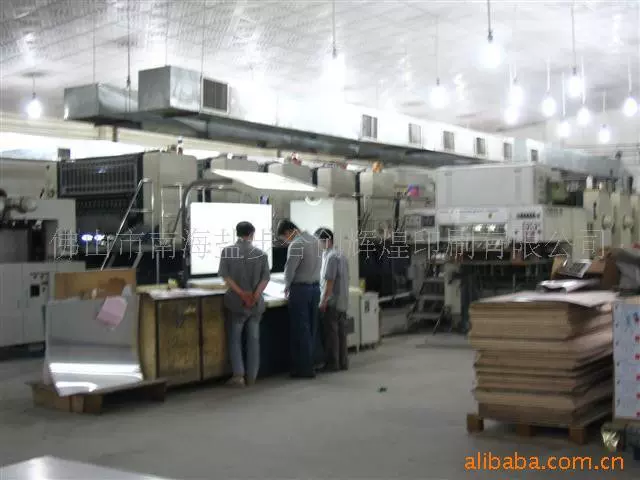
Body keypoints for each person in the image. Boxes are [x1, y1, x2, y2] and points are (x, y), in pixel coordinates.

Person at [219, 221, 270, 387]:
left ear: (237, 233)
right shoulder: (261, 254)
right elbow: (265, 279)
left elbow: (226, 277)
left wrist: (242, 294)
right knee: (254, 339)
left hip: (236, 302)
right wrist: (254, 296)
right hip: (255, 305)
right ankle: (252, 376)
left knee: (235, 339)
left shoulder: (227, 252)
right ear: (252, 234)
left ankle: (238, 375)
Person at [276, 219, 322, 378]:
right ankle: (312, 363)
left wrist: (286, 286)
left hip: (300, 290)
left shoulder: (296, 244)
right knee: (312, 328)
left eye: (284, 238)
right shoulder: (316, 241)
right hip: (315, 289)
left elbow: (290, 270)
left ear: (289, 232)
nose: (285, 241)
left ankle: (304, 368)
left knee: (301, 329)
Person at [315, 228, 350, 372]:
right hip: (343, 300)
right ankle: (343, 362)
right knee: (341, 333)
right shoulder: (341, 255)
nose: (318, 245)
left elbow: (329, 281)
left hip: (333, 301)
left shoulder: (330, 257)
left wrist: (324, 301)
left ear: (327, 241)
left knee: (331, 334)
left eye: (318, 242)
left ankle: (332, 363)